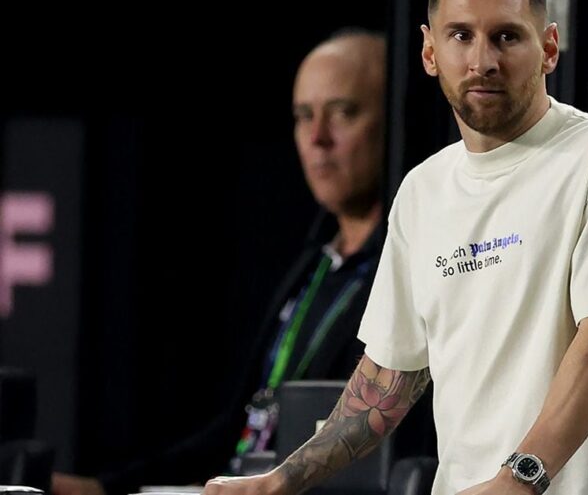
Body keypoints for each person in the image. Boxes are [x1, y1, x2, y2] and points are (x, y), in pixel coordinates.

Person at [203, 0, 588, 495]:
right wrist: (282, 481)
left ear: (549, 48)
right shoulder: (422, 192)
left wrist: (518, 480)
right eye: (462, 36)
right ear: (431, 52)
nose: (483, 60)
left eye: (507, 36)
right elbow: (390, 377)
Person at [53, 29, 434, 495]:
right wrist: (103, 488)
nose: (317, 138)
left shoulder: (409, 262)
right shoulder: (313, 264)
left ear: (395, 120)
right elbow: (239, 424)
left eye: (343, 113)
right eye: (303, 116)